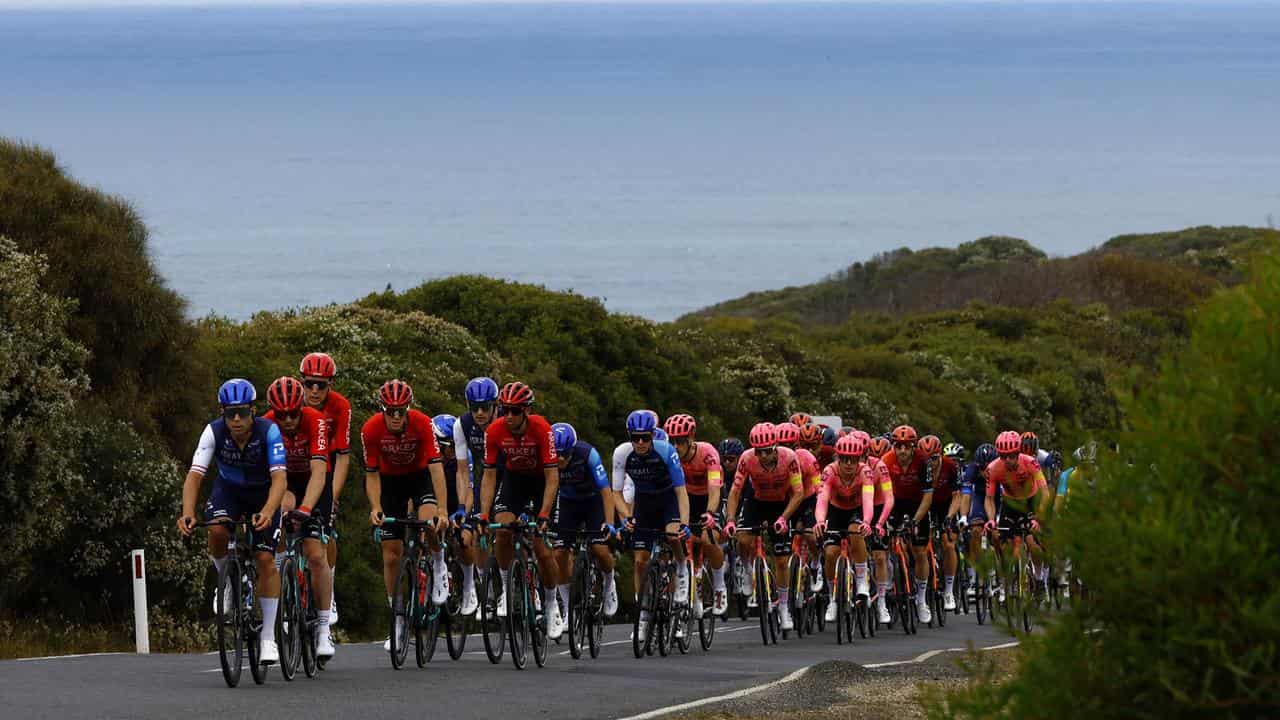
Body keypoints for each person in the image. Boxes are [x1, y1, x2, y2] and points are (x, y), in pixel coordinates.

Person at [177, 379, 289, 665]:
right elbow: (195, 475)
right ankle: (225, 581)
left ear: (253, 410)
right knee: (215, 530)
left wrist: (267, 510)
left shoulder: (270, 431)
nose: (236, 420)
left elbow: (279, 479)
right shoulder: (213, 432)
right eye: (230, 413)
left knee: (265, 558)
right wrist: (187, 511)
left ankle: (268, 638)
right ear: (222, 412)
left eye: (241, 412)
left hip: (264, 492)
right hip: (229, 491)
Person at [362, 379, 449, 651]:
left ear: (408, 409)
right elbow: (372, 475)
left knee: (430, 523)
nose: (396, 416)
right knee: (390, 553)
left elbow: (436, 470)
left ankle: (438, 562)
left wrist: (443, 510)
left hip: (420, 478)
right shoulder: (371, 429)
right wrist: (375, 506)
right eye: (391, 411)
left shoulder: (422, 423)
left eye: (401, 411)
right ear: (382, 409)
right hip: (390, 483)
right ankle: (398, 618)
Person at [476, 381, 564, 639]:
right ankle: (506, 588)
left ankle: (550, 605)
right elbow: (490, 476)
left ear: (526, 411)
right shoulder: (493, 431)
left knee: (542, 549)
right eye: (505, 410)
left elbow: (552, 477)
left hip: (540, 483)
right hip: (514, 481)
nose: (509, 416)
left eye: (515, 411)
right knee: (502, 531)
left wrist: (544, 514)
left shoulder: (541, 429)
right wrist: (483, 514)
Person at [263, 376, 336, 658]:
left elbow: (319, 471)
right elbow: (269, 476)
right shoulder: (267, 425)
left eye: (294, 413)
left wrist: (306, 509)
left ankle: (322, 629)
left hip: (314, 482)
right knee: (279, 516)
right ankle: (282, 574)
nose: (289, 419)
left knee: (316, 555)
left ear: (301, 407)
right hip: (284, 480)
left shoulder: (316, 421)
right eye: (282, 415)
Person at [724, 423, 805, 631]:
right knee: (742, 539)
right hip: (756, 501)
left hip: (781, 504)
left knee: (781, 561)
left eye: (767, 451)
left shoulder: (789, 458)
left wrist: (784, 518)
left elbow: (798, 493)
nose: (763, 457)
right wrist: (731, 519)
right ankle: (748, 569)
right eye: (759, 452)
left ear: (775, 447)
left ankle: (784, 608)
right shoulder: (747, 458)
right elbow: (735, 491)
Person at [619, 410, 691, 642]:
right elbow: (617, 493)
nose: (640, 442)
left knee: (672, 537)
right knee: (640, 560)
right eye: (636, 437)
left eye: (645, 437)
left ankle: (680, 567)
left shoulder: (666, 451)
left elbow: (681, 492)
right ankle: (642, 616)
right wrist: (625, 519)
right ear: (630, 436)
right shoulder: (622, 453)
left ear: (652, 435)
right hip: (645, 503)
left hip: (668, 499)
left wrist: (684, 524)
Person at [814, 433, 894, 623]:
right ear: (837, 458)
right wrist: (820, 521)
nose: (849, 463)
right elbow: (822, 499)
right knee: (831, 553)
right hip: (835, 509)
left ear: (860, 459)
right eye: (844, 459)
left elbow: (868, 499)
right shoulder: (830, 471)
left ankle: (861, 580)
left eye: (853, 459)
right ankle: (833, 599)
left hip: (856, 510)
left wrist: (867, 522)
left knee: (857, 532)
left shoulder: (865, 471)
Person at [298, 353, 351, 628]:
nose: (315, 390)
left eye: (321, 385)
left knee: (325, 531)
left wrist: (334, 495)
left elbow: (342, 455)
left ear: (330, 384)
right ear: (301, 383)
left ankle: (326, 592)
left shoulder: (340, 406)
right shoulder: (290, 403)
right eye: (309, 384)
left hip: (327, 468)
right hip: (296, 468)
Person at [548, 422, 619, 618]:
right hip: (566, 502)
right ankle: (567, 608)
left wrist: (610, 523)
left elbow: (606, 491)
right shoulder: (546, 455)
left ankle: (609, 581)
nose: (560, 459)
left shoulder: (588, 454)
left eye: (565, 455)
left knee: (599, 548)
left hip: (592, 501)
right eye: (557, 454)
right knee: (560, 553)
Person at [664, 413, 728, 615]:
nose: (676, 446)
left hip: (709, 498)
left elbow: (715, 488)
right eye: (672, 441)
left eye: (681, 441)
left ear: (691, 438)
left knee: (708, 540)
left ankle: (719, 586)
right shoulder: (669, 455)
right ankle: (683, 588)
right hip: (686, 499)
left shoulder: (708, 453)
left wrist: (709, 513)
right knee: (677, 539)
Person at [984, 431, 1052, 594]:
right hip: (1010, 503)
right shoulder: (993, 468)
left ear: (1019, 452)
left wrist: (1039, 518)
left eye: (1013, 455)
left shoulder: (1030, 462)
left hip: (1031, 501)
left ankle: (1038, 577)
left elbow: (1045, 492)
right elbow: (989, 499)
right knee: (1002, 541)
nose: (1008, 460)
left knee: (1031, 543)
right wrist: (991, 519)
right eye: (1004, 456)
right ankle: (1009, 576)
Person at [880, 425, 935, 625]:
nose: (902, 451)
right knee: (882, 543)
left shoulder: (923, 461)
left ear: (913, 447)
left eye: (907, 446)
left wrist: (915, 521)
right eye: (898, 446)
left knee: (920, 551)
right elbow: (881, 493)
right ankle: (888, 574)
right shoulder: (886, 461)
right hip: (893, 502)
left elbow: (928, 496)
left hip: (917, 504)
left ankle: (921, 600)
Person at [453, 376, 499, 588]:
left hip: (515, 475)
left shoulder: (505, 422)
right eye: (474, 407)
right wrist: (462, 506)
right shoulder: (461, 425)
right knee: (481, 526)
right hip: (487, 476)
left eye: (485, 407)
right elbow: (463, 472)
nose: (479, 413)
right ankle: (486, 588)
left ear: (495, 405)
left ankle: (531, 582)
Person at [433, 413, 480, 616]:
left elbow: (469, 489)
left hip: (461, 498)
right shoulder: (430, 454)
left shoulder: (463, 456)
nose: (446, 452)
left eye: (448, 447)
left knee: (464, 538)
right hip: (438, 499)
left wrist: (462, 513)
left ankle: (469, 585)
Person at [920, 435, 962, 612]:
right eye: (927, 459)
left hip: (946, 504)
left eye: (935, 458)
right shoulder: (918, 468)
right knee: (920, 543)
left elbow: (957, 496)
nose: (932, 463)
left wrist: (949, 517)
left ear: (940, 455)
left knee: (948, 543)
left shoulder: (950, 467)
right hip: (925, 503)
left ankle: (949, 591)